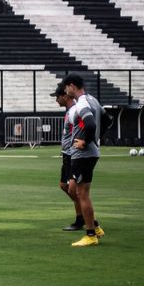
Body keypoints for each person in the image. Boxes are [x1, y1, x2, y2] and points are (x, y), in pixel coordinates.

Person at [65, 74, 106, 247]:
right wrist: (96, 139)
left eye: (66, 87)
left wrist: (87, 141)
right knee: (77, 190)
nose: (66, 91)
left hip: (83, 154)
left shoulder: (82, 103)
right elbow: (107, 119)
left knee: (82, 194)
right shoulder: (93, 100)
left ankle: (90, 234)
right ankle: (95, 228)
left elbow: (90, 124)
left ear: (72, 86)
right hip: (90, 153)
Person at [54, 84, 85, 232]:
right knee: (63, 186)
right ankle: (83, 214)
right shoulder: (69, 111)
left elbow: (81, 128)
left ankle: (83, 218)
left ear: (65, 96)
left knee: (74, 190)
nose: (56, 100)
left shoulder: (75, 111)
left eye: (57, 97)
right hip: (67, 154)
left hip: (74, 155)